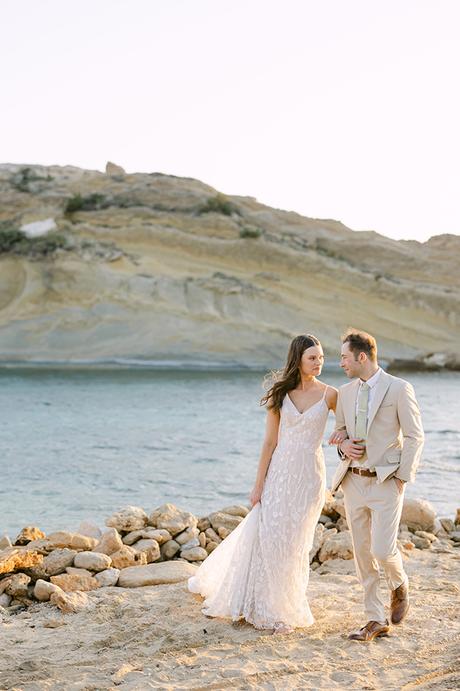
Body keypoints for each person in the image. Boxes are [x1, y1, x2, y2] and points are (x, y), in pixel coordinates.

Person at [188, 334, 340, 633]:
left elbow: (348, 429)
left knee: (296, 544)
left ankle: (286, 605)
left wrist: (345, 443)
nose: (318, 362)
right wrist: (258, 485)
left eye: (321, 357)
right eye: (312, 358)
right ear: (298, 359)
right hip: (280, 473)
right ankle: (263, 603)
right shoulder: (280, 394)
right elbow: (270, 442)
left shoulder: (331, 394)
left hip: (310, 476)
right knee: (271, 539)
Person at [329, 329, 424, 642]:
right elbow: (340, 432)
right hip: (352, 481)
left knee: (383, 549)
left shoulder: (399, 388)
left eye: (344, 356)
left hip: (386, 482)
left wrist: (402, 477)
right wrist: (343, 446)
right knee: (362, 554)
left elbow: (414, 436)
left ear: (361, 356)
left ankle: (399, 584)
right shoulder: (344, 392)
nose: (340, 362)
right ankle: (374, 619)